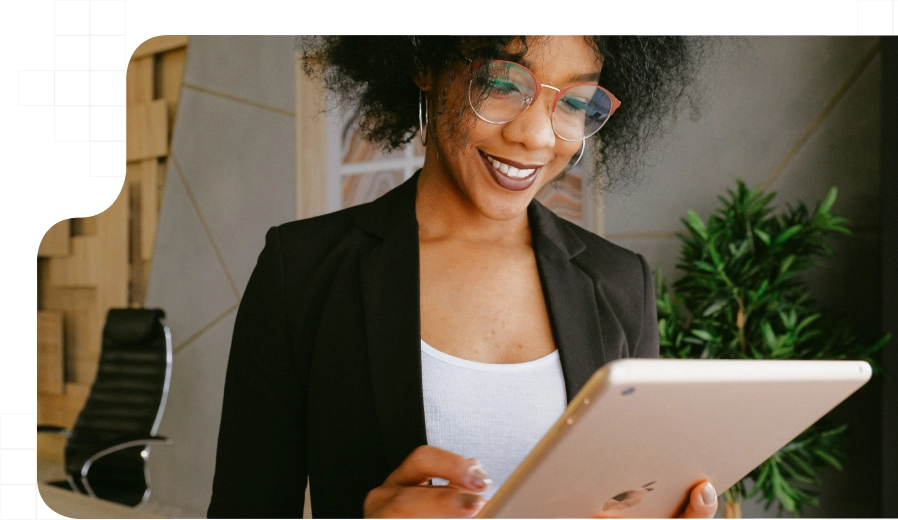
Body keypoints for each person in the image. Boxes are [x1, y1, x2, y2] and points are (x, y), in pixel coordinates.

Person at [207, 36, 717, 519]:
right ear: (426, 63)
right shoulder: (301, 271)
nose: (536, 136)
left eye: (576, 103)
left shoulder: (621, 281)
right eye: (501, 84)